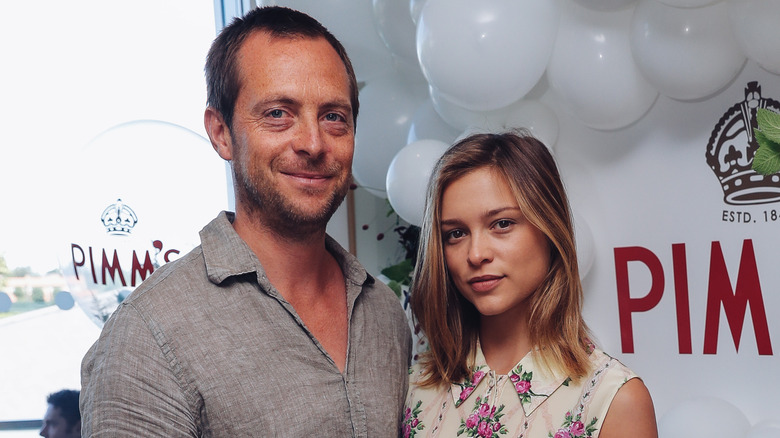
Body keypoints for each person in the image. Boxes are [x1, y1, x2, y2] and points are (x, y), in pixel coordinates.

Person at [80, 6, 411, 436]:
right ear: (220, 132)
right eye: (278, 113)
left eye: (333, 116)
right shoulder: (148, 336)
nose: (313, 142)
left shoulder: (384, 312)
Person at [402, 132, 657, 438]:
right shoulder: (414, 388)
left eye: (502, 224)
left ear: (550, 228)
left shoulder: (612, 400)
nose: (476, 254)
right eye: (456, 233)